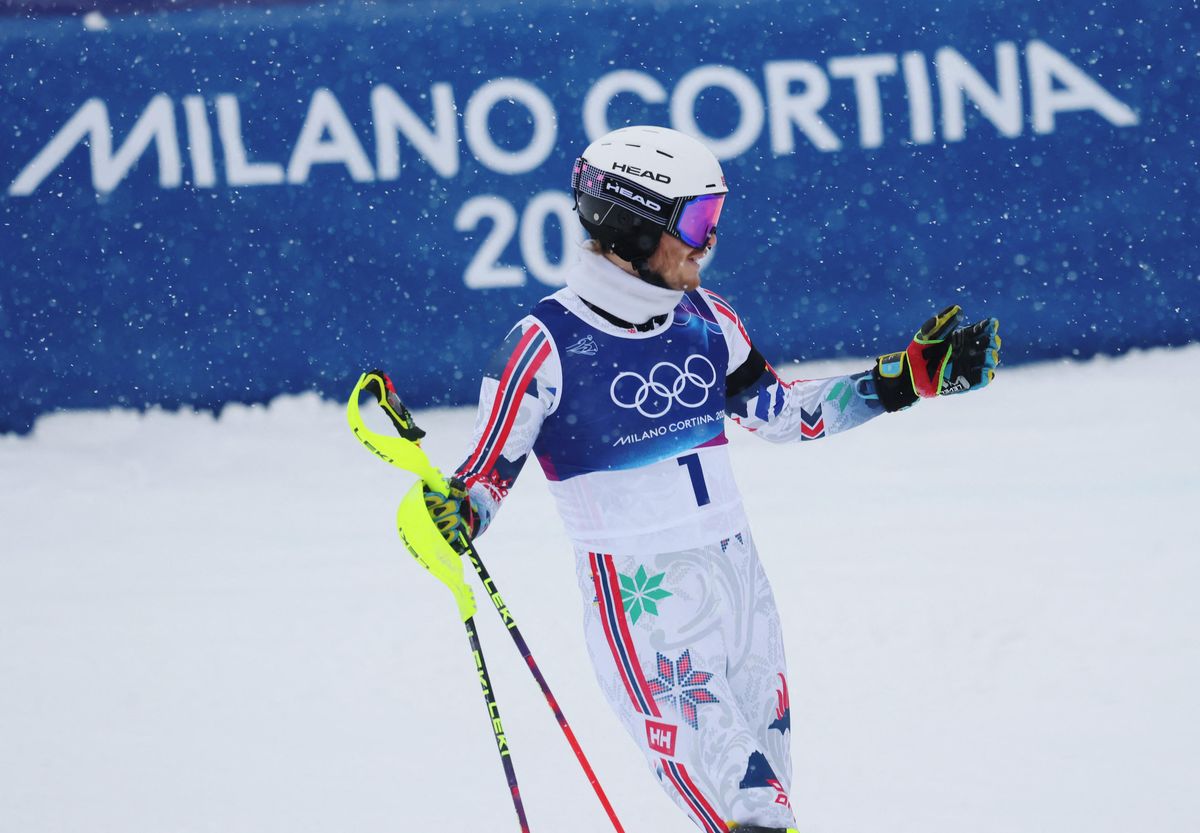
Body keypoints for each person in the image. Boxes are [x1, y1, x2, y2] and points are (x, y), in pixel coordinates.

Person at [423, 125, 1001, 833]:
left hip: (742, 591)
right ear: (632, 227)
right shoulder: (543, 346)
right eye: (696, 221)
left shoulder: (705, 319)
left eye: (714, 217)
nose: (709, 240)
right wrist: (450, 514)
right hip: (644, 604)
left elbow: (783, 415)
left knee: (770, 806)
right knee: (751, 809)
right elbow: (477, 485)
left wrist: (902, 381)